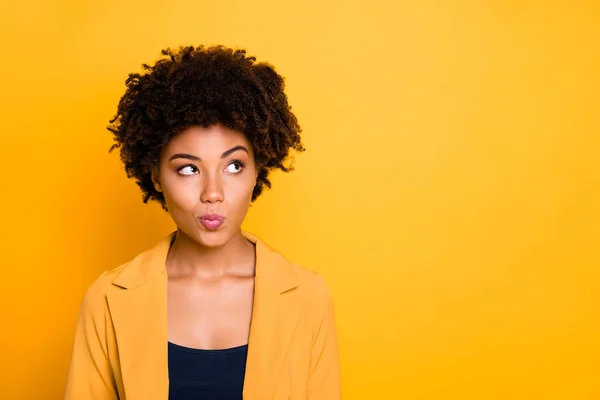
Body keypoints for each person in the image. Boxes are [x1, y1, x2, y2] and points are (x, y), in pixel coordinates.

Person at [64, 45, 341, 400]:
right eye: (189, 169)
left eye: (234, 166)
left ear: (258, 170)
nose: (213, 192)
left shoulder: (309, 298)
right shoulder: (107, 300)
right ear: (156, 177)